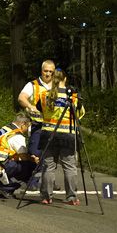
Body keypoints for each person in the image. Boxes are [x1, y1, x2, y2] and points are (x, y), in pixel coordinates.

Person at [37, 68, 85, 206]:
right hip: (67, 135)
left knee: (48, 167)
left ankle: (46, 196)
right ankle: (71, 197)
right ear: (65, 79)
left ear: (52, 79)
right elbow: (80, 114)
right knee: (69, 167)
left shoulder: (44, 94)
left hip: (48, 134)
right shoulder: (74, 97)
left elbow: (40, 109)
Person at [0, 113, 38, 199]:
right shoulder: (17, 135)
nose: (27, 130)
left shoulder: (5, 129)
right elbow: (23, 157)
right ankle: (5, 188)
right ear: (23, 124)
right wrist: (34, 160)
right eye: (28, 126)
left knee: (14, 163)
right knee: (29, 167)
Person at [17, 59, 55, 189]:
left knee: (51, 155)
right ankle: (32, 181)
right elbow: (21, 98)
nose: (48, 74)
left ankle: (49, 181)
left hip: (54, 126)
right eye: (46, 71)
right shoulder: (33, 85)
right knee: (35, 154)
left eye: (51, 71)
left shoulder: (57, 86)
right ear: (41, 71)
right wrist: (30, 106)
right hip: (38, 125)